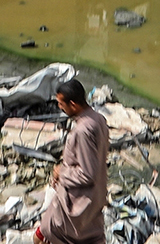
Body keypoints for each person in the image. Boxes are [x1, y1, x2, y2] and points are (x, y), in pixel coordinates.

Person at [37, 78, 109, 244]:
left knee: (44, 234)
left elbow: (87, 174)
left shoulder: (82, 131)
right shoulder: (98, 119)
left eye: (61, 104)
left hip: (79, 201)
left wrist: (61, 172)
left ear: (73, 104)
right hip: (96, 196)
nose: (59, 107)